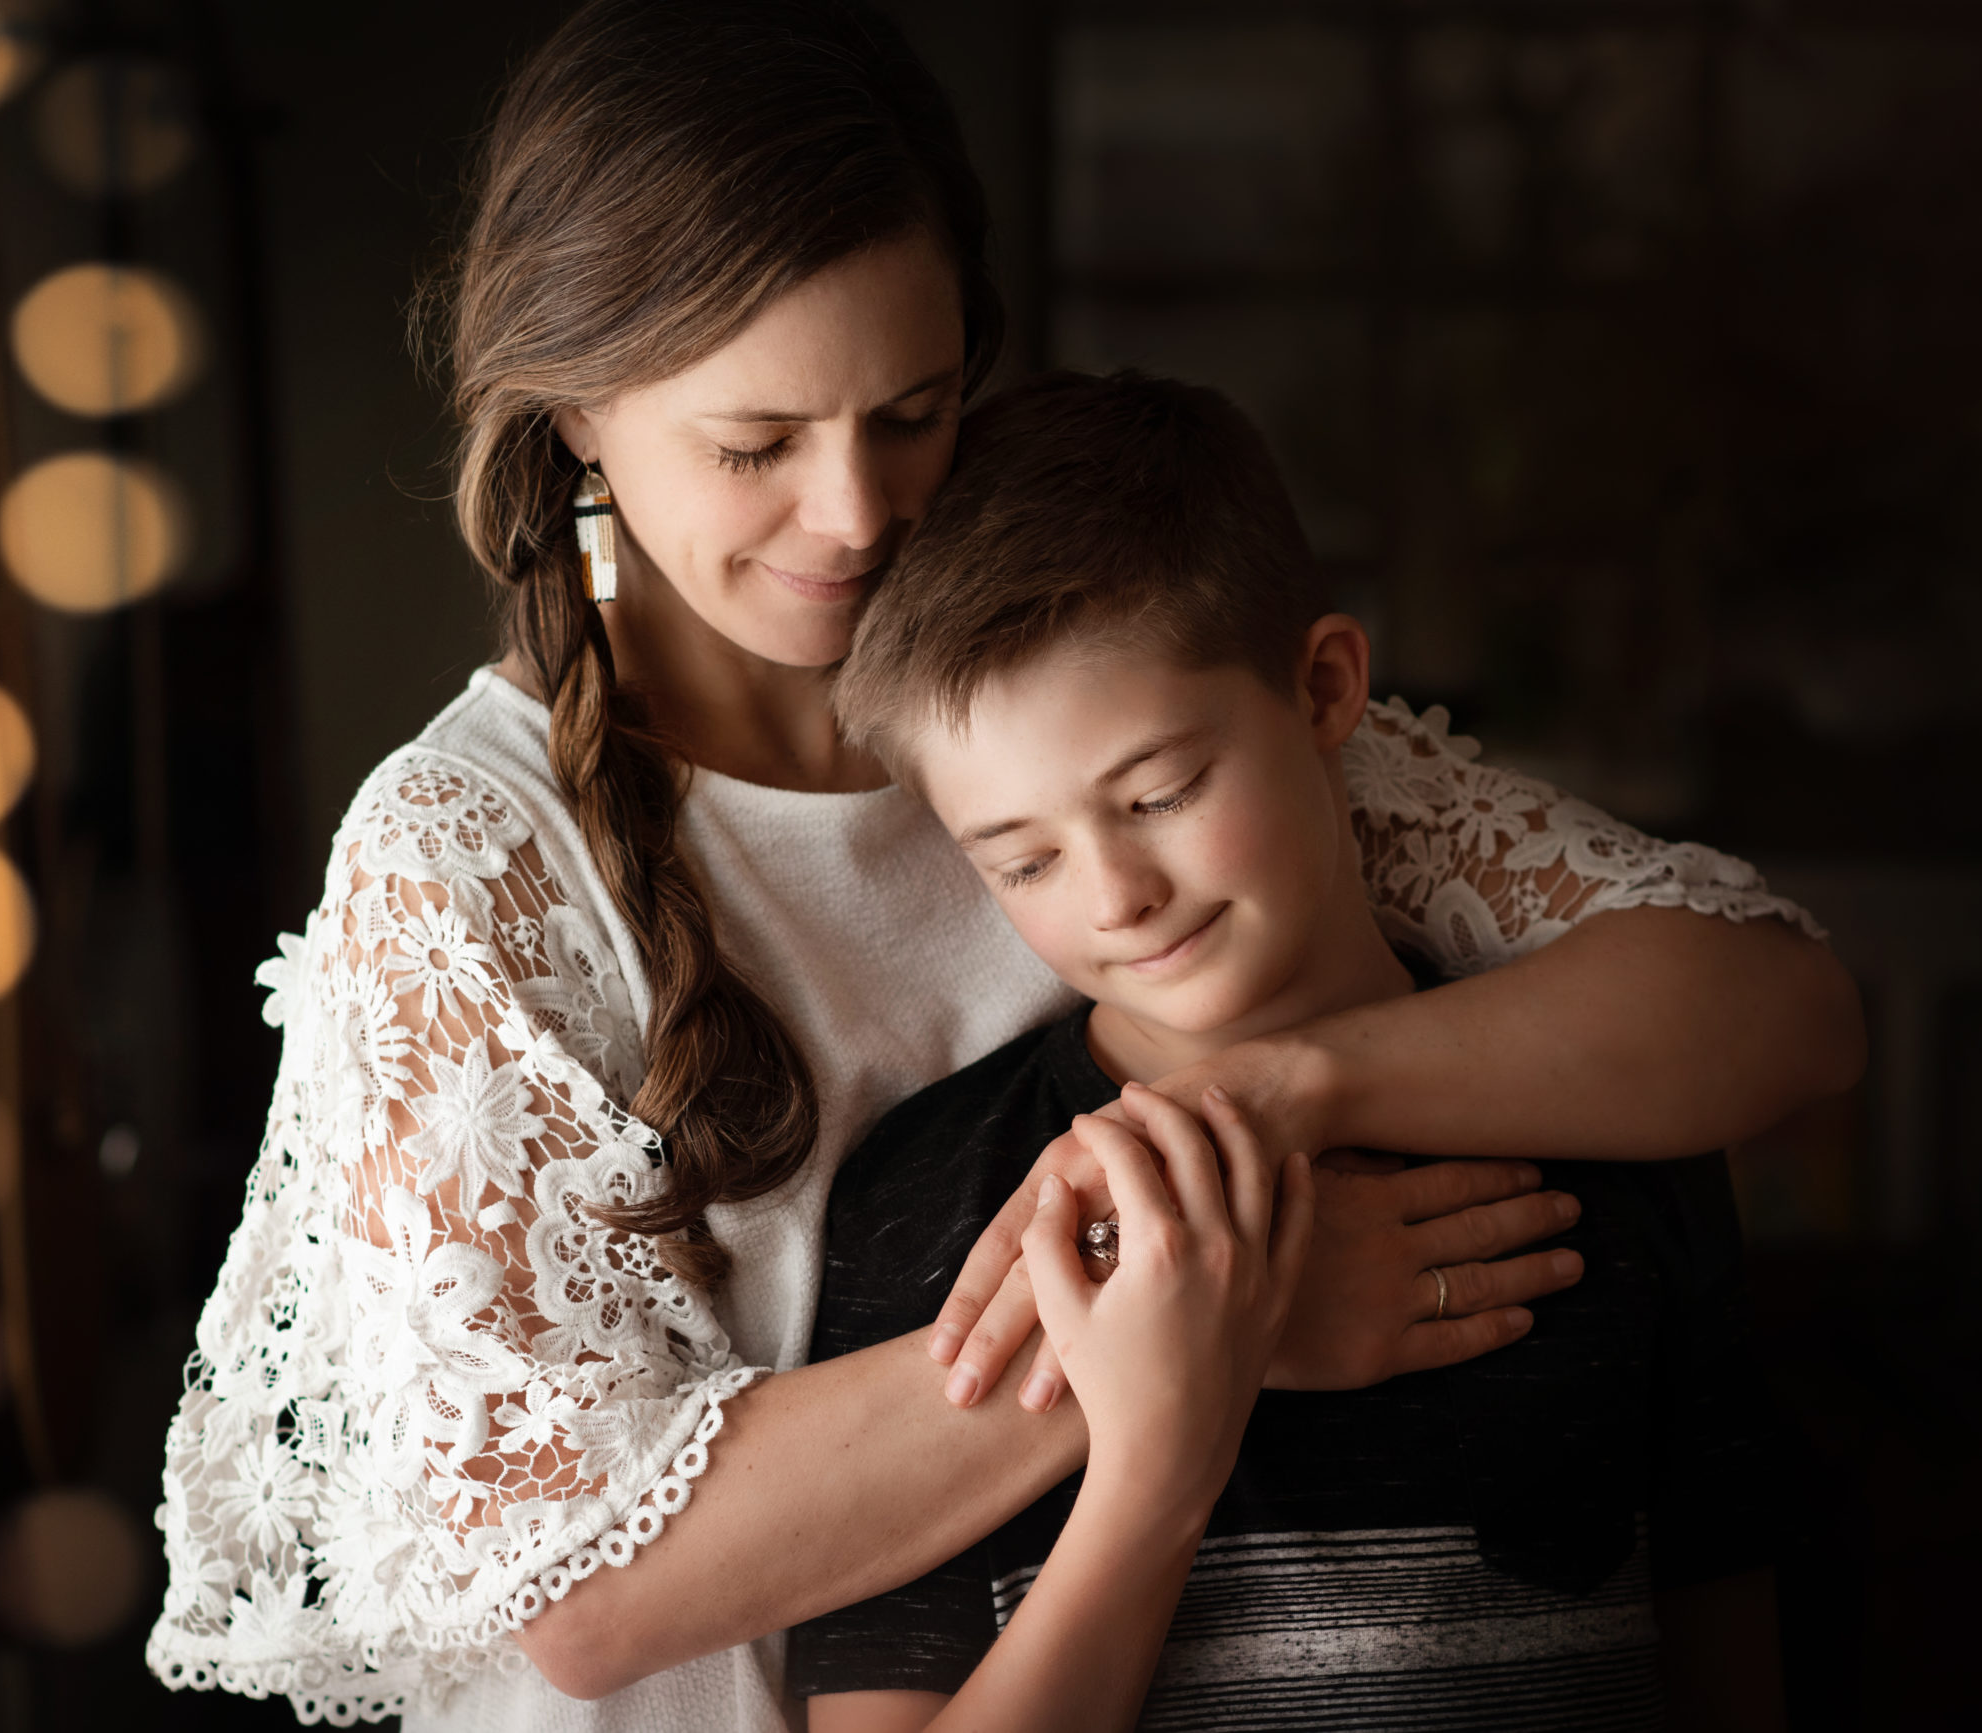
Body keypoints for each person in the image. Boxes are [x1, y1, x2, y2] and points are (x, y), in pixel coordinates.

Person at [145, 4, 1859, 1729]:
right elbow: (573, 1584)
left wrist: (1275, 1099)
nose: (858, 514)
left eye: (914, 408)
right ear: (576, 414)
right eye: (756, 446)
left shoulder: (1071, 696)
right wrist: (1214, 1316)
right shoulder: (468, 855)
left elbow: (1768, 1004)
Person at [793, 369, 1789, 1732]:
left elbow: (1728, 1663)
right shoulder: (936, 1207)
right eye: (1021, 857)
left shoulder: (1619, 1117)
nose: (1114, 895)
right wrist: (1159, 1463)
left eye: (1161, 793)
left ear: (1326, 688)